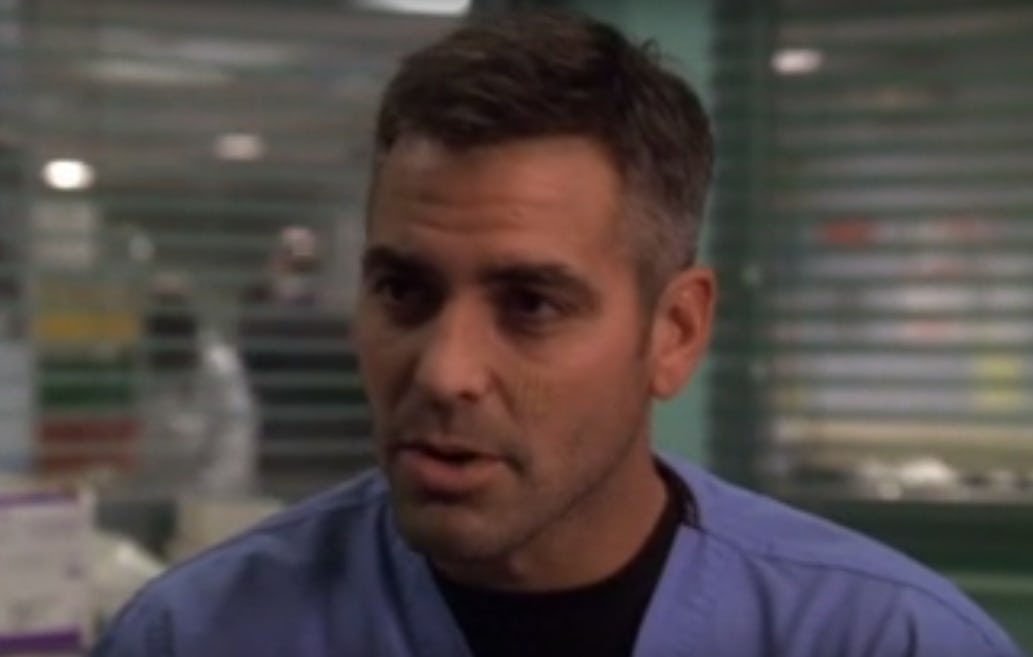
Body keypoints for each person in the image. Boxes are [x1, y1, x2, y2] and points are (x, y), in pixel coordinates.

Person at [91, 11, 1023, 657]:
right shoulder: (198, 633)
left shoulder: (883, 639)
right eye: (403, 290)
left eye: (531, 304)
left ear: (674, 332)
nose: (446, 371)